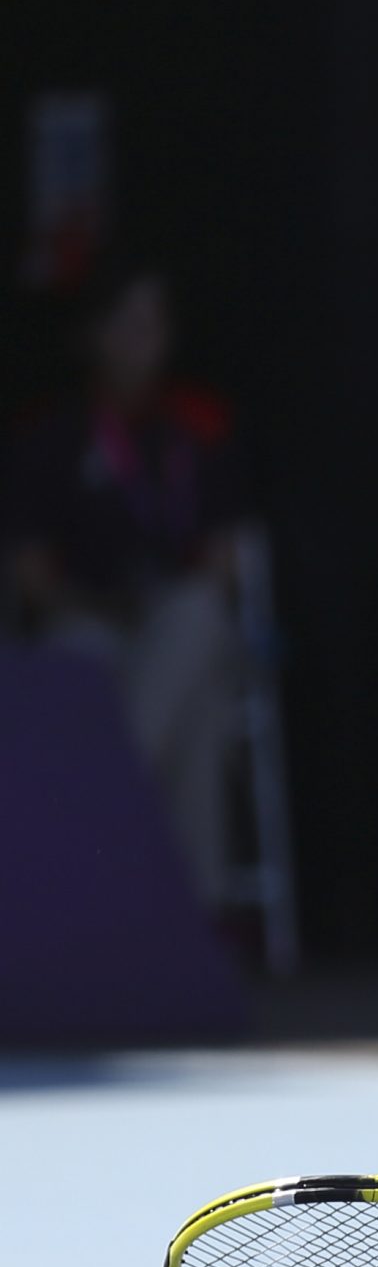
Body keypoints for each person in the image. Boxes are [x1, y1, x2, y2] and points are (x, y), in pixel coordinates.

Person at [3, 262, 254, 904]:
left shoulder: (200, 424)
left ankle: (99, 817)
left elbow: (226, 562)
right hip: (87, 622)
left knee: (199, 619)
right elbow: (31, 578)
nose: (141, 339)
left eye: (153, 323)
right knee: (187, 702)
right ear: (93, 334)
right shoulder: (50, 431)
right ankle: (194, 918)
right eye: (126, 322)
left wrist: (158, 612)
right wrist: (103, 609)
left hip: (173, 623)